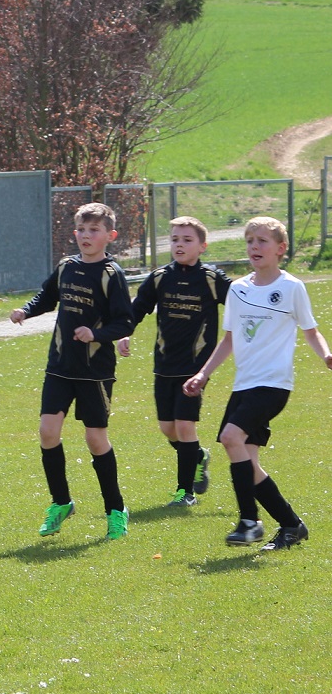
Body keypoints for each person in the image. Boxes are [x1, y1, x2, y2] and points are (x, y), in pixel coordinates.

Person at [183, 216, 331, 550]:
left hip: (274, 385)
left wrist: (326, 356)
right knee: (248, 462)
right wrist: (203, 374)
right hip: (244, 385)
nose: (254, 247)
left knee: (229, 436)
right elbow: (229, 339)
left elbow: (311, 330)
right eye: (250, 240)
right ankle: (292, 525)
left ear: (280, 249)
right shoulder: (238, 288)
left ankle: (249, 522)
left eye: (262, 241)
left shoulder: (292, 288)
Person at [10, 201, 135, 540]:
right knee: (47, 431)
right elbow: (47, 297)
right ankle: (61, 502)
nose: (85, 236)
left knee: (96, 440)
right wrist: (26, 311)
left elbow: (125, 321)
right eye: (81, 229)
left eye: (93, 230)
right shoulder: (67, 267)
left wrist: (96, 334)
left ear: (110, 235)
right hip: (61, 365)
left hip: (95, 370)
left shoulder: (112, 274)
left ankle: (115, 509)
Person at [125, 216, 230, 507]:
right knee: (167, 428)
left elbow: (241, 302)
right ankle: (197, 456)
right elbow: (137, 309)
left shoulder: (211, 279)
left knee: (185, 426)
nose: (179, 245)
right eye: (174, 239)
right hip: (164, 365)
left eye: (187, 240)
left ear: (203, 246)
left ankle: (185, 493)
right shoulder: (160, 277)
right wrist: (124, 333)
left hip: (196, 368)